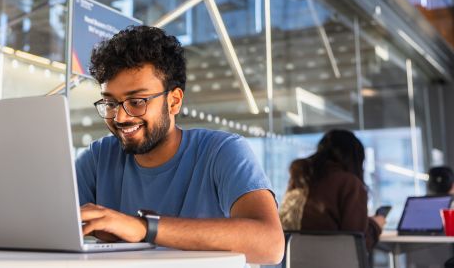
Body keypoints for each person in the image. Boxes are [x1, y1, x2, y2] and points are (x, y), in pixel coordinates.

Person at [75, 25, 284, 264]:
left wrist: (144, 228)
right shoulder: (98, 157)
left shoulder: (222, 151)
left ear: (174, 102)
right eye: (111, 103)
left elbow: (271, 244)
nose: (120, 118)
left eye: (136, 101)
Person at [279, 129, 384, 251]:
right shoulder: (348, 183)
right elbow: (357, 245)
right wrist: (376, 225)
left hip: (290, 260)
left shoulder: (300, 178)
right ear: (355, 159)